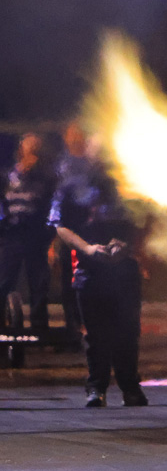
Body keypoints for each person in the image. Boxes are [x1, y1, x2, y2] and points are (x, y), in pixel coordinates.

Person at [49, 135, 146, 408]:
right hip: (90, 272)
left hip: (124, 271)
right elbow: (59, 225)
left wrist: (126, 246)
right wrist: (88, 249)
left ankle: (130, 388)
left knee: (128, 332)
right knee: (95, 336)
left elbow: (143, 221)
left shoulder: (130, 185)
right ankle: (96, 388)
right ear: (89, 157)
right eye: (98, 154)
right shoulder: (71, 186)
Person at [0, 133, 57, 333]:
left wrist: (51, 237)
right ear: (21, 149)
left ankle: (39, 329)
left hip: (36, 235)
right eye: (28, 146)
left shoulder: (47, 177)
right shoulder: (8, 176)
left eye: (35, 147)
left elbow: (52, 206)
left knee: (38, 283)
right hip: (12, 234)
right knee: (4, 280)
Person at [53, 122, 89, 342]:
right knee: (69, 281)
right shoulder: (61, 165)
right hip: (67, 230)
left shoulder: (93, 163)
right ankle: (71, 330)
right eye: (71, 135)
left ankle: (90, 328)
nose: (75, 138)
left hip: (90, 230)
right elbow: (55, 200)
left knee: (89, 280)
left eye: (79, 134)